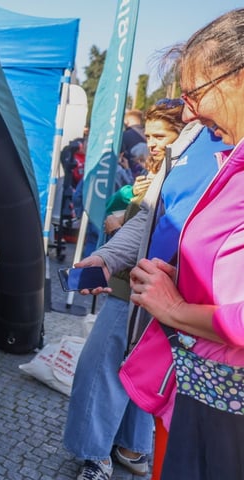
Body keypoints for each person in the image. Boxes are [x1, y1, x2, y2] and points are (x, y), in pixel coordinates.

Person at [64, 106, 227, 480]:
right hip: (146, 291)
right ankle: (127, 449)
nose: (187, 107)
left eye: (195, 92)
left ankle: (100, 454)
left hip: (195, 317)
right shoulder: (190, 141)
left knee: (104, 369)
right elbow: (150, 218)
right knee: (140, 371)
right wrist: (106, 257)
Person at [129, 10, 244, 479]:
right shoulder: (230, 158)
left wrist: (176, 309)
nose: (189, 111)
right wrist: (188, 284)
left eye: (194, 93)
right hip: (210, 393)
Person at [104, 99, 188, 236]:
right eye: (148, 137)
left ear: (183, 135)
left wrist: (117, 230)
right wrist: (132, 192)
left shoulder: (183, 176)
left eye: (159, 137)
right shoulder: (154, 167)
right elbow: (112, 207)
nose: (150, 144)